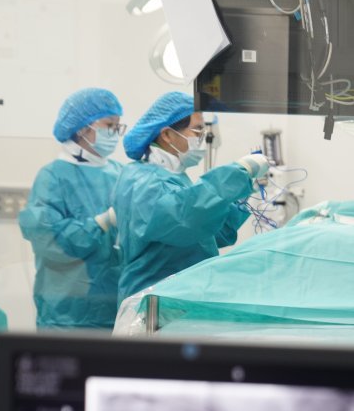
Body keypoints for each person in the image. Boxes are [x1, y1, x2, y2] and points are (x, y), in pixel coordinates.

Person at [114, 92, 270, 304]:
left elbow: (208, 235)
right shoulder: (142, 180)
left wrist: (241, 193)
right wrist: (237, 173)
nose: (202, 138)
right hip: (152, 302)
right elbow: (182, 220)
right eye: (197, 130)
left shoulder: (174, 177)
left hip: (177, 297)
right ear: (167, 135)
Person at [19, 88, 126, 329]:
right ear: (81, 129)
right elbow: (48, 239)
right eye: (109, 125)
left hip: (115, 307)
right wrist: (102, 222)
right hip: (67, 313)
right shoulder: (53, 177)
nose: (114, 133)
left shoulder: (120, 173)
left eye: (118, 127)